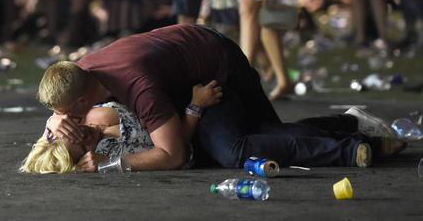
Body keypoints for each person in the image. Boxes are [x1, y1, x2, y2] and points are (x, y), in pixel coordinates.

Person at [38, 24, 404, 172]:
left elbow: (174, 153)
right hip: (188, 79)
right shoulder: (81, 73)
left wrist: (105, 168)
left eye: (66, 115)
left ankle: (354, 141)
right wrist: (53, 124)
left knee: (238, 149)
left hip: (217, 71)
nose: (67, 123)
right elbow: (63, 110)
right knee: (269, 132)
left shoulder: (137, 86)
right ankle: (350, 124)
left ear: (83, 102)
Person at [21, 81, 222, 173]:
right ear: (84, 160)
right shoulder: (115, 151)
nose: (85, 134)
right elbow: (178, 148)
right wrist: (196, 106)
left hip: (169, 87)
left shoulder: (85, 115)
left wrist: (53, 118)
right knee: (236, 150)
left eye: (75, 130)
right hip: (198, 119)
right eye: (83, 146)